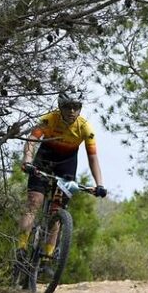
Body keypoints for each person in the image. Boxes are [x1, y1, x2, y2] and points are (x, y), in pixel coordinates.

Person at [16, 90, 107, 263]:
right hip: (44, 159)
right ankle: (21, 246)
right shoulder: (48, 119)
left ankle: (48, 255)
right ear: (60, 107)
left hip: (66, 164)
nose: (72, 111)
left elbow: (93, 158)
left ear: (80, 109)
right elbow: (31, 141)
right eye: (67, 107)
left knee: (57, 209)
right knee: (34, 201)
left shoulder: (85, 128)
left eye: (76, 107)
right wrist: (27, 161)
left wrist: (99, 184)